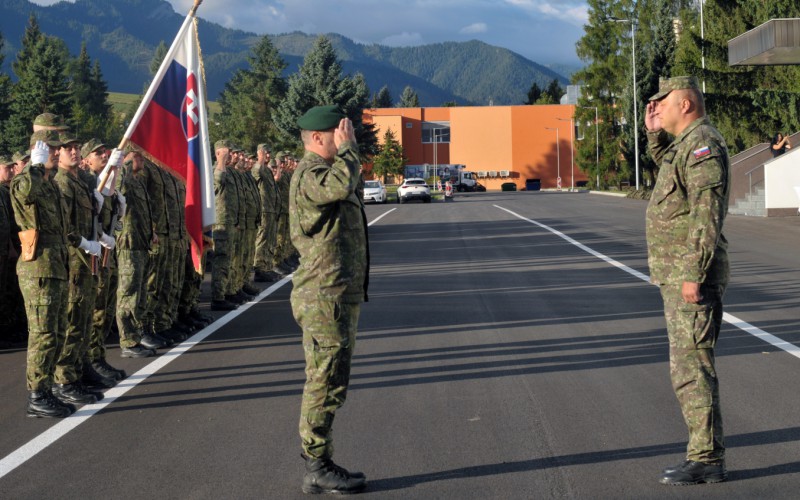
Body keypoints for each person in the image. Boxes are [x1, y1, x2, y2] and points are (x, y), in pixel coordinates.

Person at [645, 76, 730, 486]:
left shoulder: (703, 145)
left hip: (691, 276)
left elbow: (705, 214)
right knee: (686, 370)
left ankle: (707, 458)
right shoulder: (683, 146)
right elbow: (667, 168)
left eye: (664, 103)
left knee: (693, 369)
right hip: (678, 274)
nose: (657, 108)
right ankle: (702, 454)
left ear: (687, 105)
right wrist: (653, 134)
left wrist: (694, 273)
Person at [290, 105, 369, 495]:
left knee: (333, 380)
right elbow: (341, 185)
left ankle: (320, 459)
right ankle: (316, 463)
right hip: (323, 295)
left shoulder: (328, 172)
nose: (345, 137)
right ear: (318, 138)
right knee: (323, 380)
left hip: (336, 293)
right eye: (338, 133)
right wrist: (350, 150)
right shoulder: (311, 174)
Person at [11, 131, 75, 417]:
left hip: (56, 266)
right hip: (37, 269)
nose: (55, 152)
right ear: (36, 150)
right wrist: (34, 166)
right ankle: (36, 395)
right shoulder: (24, 180)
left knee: (58, 332)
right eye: (50, 148)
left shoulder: (50, 187)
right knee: (43, 333)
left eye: (57, 148)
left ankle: (47, 390)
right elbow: (24, 193)